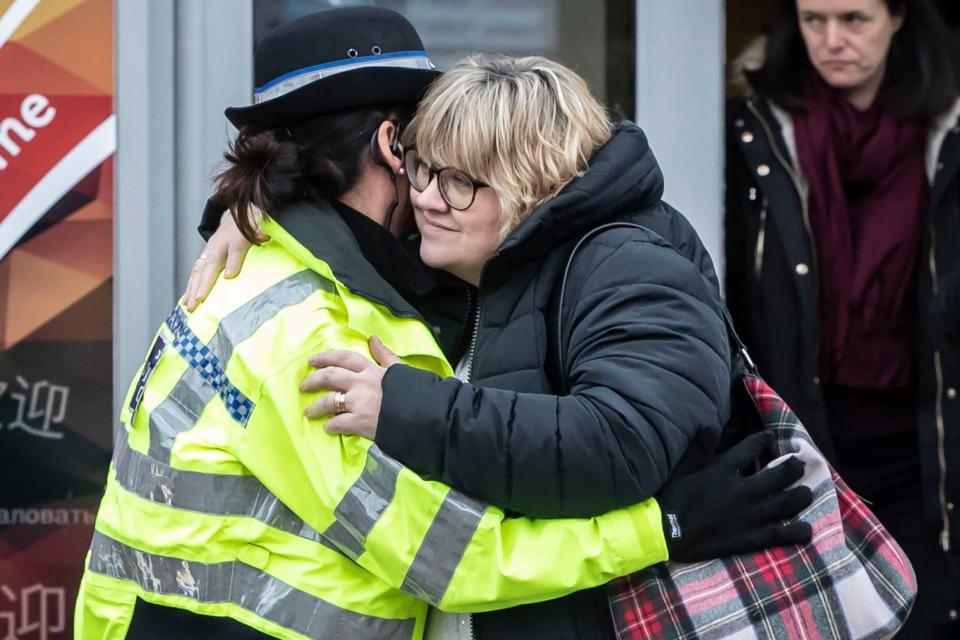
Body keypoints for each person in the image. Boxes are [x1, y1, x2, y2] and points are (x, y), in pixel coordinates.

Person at [190, 53, 813, 639]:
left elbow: (623, 443)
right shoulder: (471, 259)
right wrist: (248, 211)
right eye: (425, 169)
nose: (427, 198)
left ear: (530, 182)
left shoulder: (627, 264)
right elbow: (337, 219)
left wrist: (408, 408)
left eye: (459, 181)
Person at [724, 0, 960, 636]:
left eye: (853, 19)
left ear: (900, 16)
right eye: (812, 19)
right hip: (800, 440)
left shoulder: (945, 133)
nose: (831, 41)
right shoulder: (753, 129)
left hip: (926, 451)